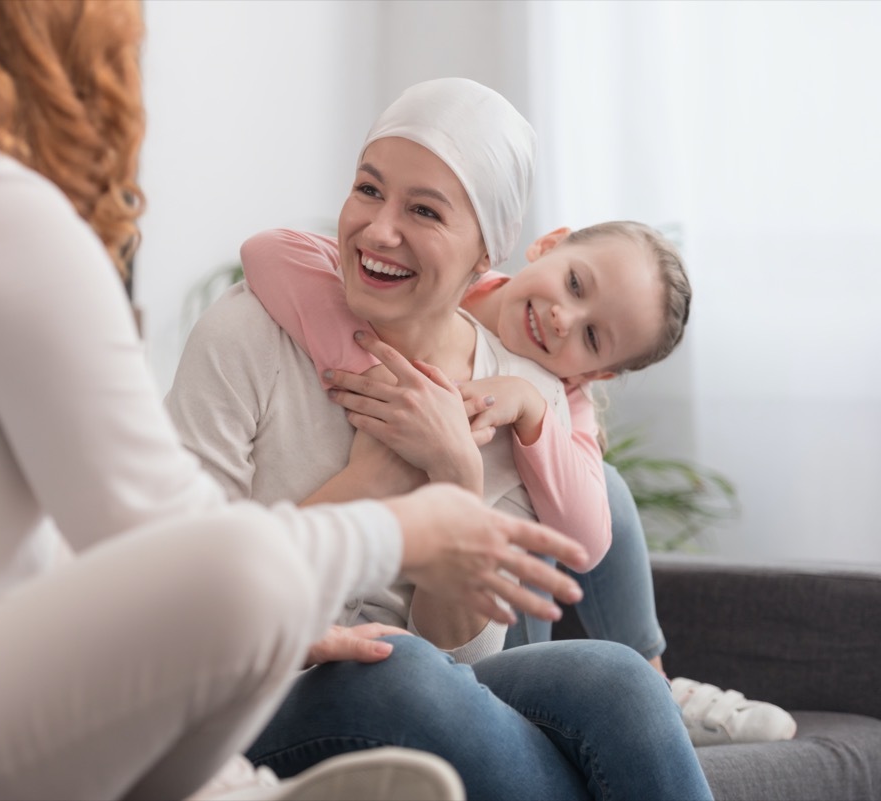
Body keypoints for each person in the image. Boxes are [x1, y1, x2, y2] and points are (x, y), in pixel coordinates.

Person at [0, 4, 601, 800]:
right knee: (258, 608)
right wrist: (408, 527)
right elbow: (186, 560)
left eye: (428, 209)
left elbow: (51, 556)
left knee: (600, 679)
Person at [166, 76, 714, 800]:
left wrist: (456, 474)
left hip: (432, 677)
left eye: (423, 210)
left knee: (618, 679)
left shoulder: (521, 396)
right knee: (401, 670)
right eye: (368, 189)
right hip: (246, 689)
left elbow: (463, 647)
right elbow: (178, 587)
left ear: (486, 252)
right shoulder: (247, 332)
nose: (378, 229)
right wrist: (370, 486)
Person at [240, 222, 797, 747]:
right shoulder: (438, 280)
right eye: (575, 283)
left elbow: (588, 541)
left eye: (593, 336)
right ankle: (650, 694)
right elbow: (267, 251)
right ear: (548, 243)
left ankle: (655, 690)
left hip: (490, 630)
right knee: (595, 483)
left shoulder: (558, 393)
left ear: (594, 374)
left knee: (600, 487)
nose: (563, 318)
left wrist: (531, 408)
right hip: (393, 604)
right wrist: (375, 370)